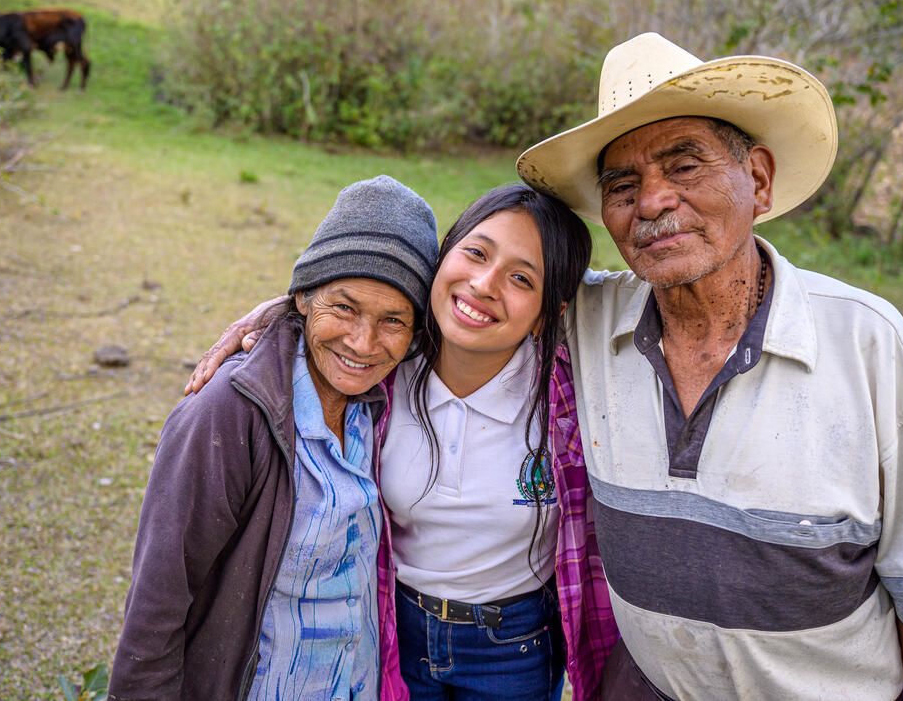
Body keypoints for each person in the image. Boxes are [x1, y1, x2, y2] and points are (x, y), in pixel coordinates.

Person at [514, 31, 903, 700]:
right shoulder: (587, 321)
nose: (652, 202)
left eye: (685, 166)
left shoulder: (864, 340)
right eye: (623, 184)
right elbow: (460, 302)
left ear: (757, 180)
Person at [188, 186, 619, 701]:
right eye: (476, 253)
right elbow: (335, 307)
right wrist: (284, 310)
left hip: (518, 644)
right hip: (394, 623)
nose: (484, 284)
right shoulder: (382, 369)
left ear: (549, 311)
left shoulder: (572, 395)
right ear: (442, 258)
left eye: (521, 278)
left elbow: (638, 295)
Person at [108, 175, 439, 701]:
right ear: (304, 298)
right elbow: (157, 603)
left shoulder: (384, 399)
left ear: (417, 332)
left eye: (392, 319)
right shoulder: (228, 414)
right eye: (345, 308)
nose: (363, 342)